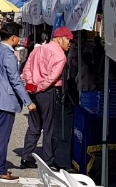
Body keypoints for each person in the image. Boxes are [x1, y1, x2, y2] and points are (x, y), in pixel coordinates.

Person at [17, 26, 74, 171]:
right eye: (68, 40)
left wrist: (31, 84)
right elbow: (52, 77)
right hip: (48, 92)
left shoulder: (38, 49)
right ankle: (48, 160)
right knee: (49, 126)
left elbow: (27, 68)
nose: (70, 43)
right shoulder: (60, 56)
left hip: (33, 90)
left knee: (34, 125)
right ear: (60, 38)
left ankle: (26, 155)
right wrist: (40, 86)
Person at [0, 21, 31, 180]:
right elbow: (15, 81)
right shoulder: (9, 55)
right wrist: (28, 101)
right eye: (18, 38)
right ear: (13, 38)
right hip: (6, 101)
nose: (20, 41)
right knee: (2, 136)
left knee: (0, 134)